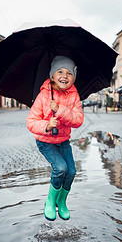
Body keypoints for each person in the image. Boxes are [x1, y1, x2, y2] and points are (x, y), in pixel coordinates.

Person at [26, 56, 84, 221]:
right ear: (52, 76)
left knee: (71, 171)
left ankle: (62, 201)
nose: (64, 76)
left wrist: (60, 110)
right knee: (60, 168)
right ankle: (50, 202)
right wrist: (46, 125)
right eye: (60, 71)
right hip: (45, 141)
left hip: (63, 140)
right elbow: (31, 121)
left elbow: (78, 120)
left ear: (73, 77)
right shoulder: (43, 96)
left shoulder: (74, 96)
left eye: (69, 73)